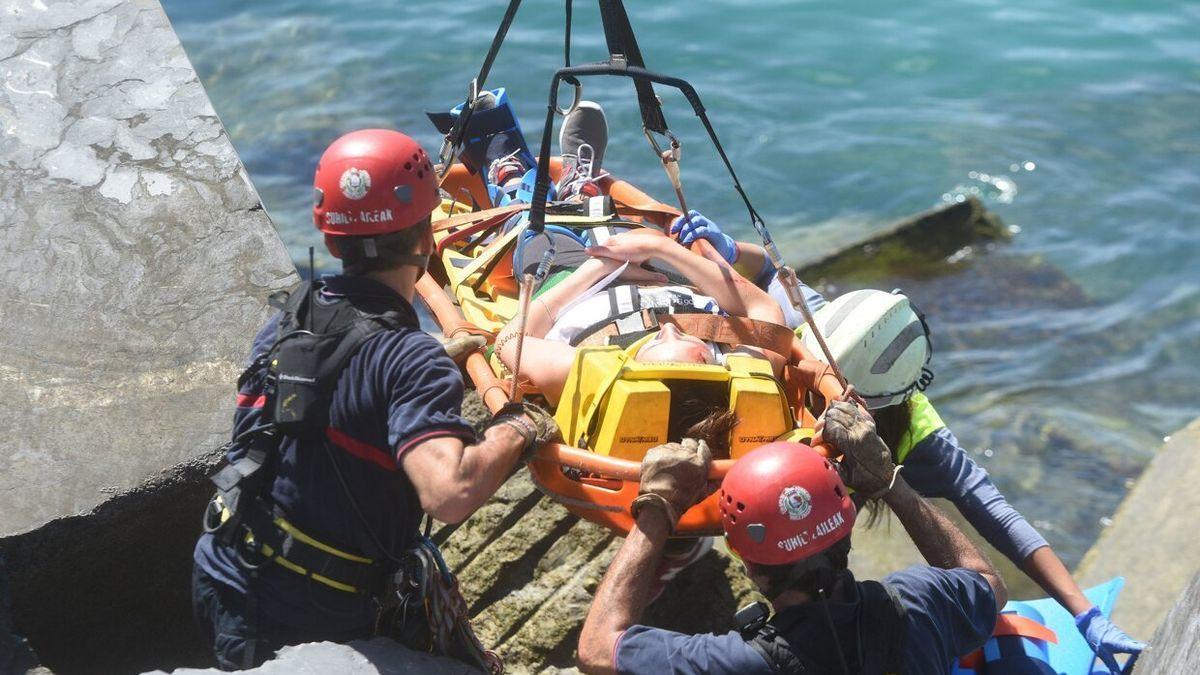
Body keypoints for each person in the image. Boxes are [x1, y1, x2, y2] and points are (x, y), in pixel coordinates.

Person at [670, 210, 1147, 672]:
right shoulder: (819, 325)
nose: (812, 378)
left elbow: (1002, 520)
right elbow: (767, 269)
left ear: (869, 404)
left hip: (833, 500)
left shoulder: (922, 442)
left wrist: (1085, 614)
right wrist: (731, 249)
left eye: (825, 382)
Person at [191, 129, 557, 670]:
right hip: (311, 612)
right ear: (427, 238)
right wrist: (521, 427)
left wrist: (428, 358)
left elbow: (336, 393)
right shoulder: (410, 361)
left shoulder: (290, 320)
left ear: (332, 239)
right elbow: (449, 492)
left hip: (226, 566)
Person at [577, 402, 1007, 674]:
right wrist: (889, 484)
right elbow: (987, 584)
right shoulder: (919, 604)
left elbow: (598, 649)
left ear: (747, 563)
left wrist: (658, 507)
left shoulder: (741, 662)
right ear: (846, 529)